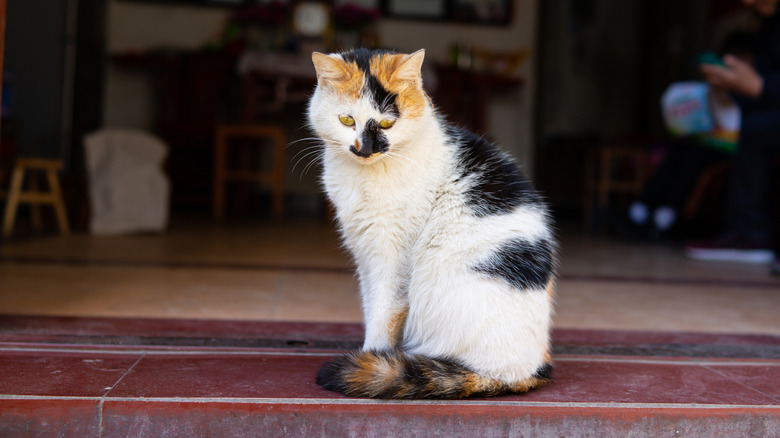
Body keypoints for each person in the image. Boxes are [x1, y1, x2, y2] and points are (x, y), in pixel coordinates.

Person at [685, 0, 780, 275]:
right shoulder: (765, 23)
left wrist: (761, 86)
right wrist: (731, 86)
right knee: (716, 130)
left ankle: (751, 232)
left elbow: (764, 85)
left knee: (755, 129)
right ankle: (748, 234)